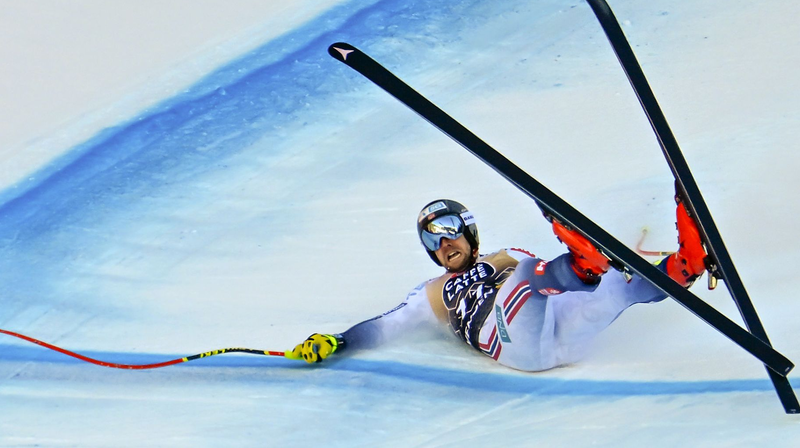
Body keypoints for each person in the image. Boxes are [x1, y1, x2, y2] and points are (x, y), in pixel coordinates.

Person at [286, 196, 709, 371]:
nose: (443, 243)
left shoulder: (508, 254)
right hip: (513, 343)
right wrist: (339, 340)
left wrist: (616, 271)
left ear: (469, 232)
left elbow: (566, 291)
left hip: (563, 337)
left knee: (618, 287)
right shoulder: (430, 295)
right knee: (530, 277)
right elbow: (383, 326)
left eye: (449, 229)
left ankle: (687, 263)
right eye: (432, 239)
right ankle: (587, 259)